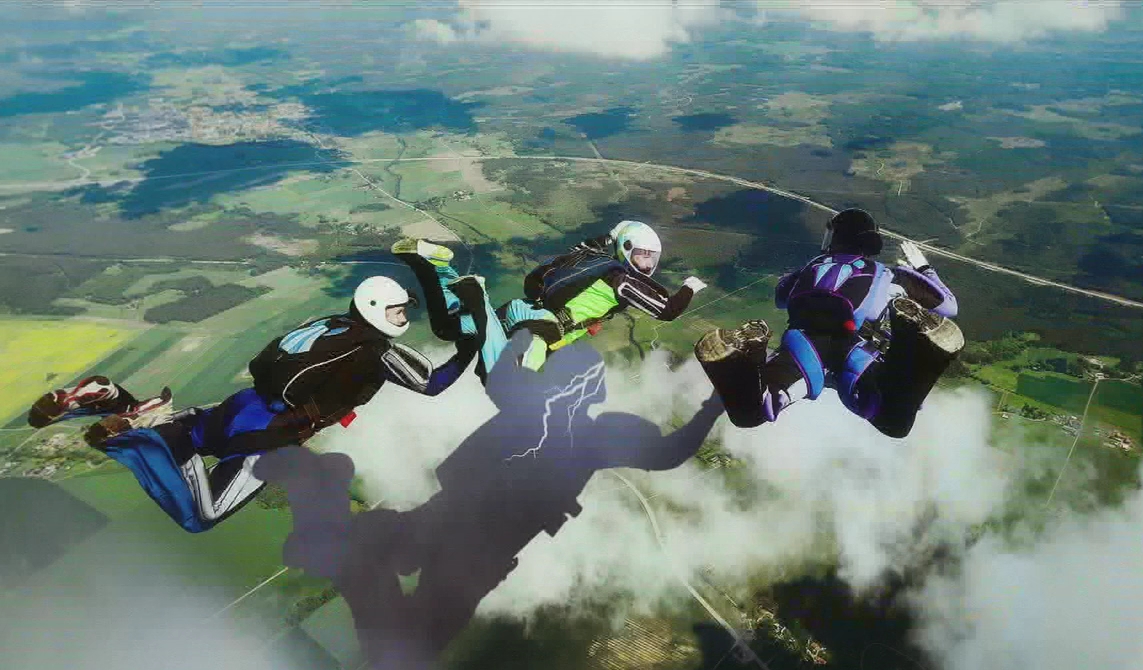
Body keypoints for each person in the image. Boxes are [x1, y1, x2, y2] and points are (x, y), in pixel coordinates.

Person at [26, 254, 485, 533]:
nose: (403, 318)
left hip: (238, 408)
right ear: (377, 311)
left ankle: (111, 399)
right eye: (399, 312)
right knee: (202, 514)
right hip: (266, 439)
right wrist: (472, 343)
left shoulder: (331, 324)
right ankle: (156, 429)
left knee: (177, 437)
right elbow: (435, 383)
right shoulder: (377, 351)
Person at [693, 208, 964, 438]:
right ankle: (917, 345)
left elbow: (781, 297)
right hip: (853, 347)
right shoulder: (885, 274)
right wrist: (923, 270)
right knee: (892, 420)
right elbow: (949, 306)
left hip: (803, 342)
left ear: (838, 237)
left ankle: (748, 350)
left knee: (753, 411)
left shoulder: (812, 266)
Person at [400, 221, 708, 376]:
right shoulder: (622, 280)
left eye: (650, 258)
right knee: (512, 385)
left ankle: (440, 266)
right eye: (641, 256)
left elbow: (575, 253)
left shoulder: (591, 257)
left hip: (521, 310)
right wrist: (690, 288)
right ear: (626, 249)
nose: (646, 265)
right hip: (540, 333)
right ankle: (475, 293)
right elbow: (668, 311)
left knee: (447, 328)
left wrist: (611, 236)